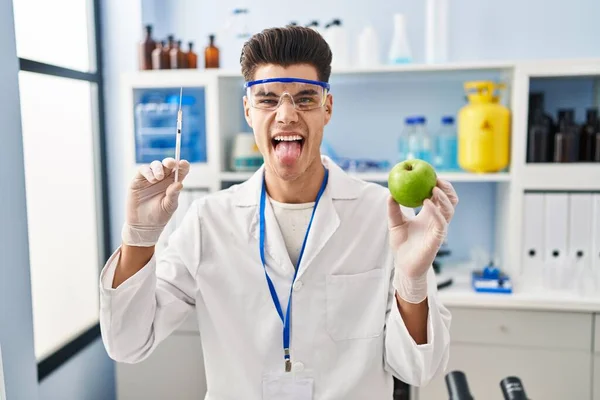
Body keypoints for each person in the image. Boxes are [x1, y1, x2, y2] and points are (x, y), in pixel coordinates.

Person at [99, 25, 458, 399]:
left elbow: (418, 368)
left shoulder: (382, 216)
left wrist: (412, 280)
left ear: (327, 108)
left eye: (304, 99)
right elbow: (127, 343)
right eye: (268, 99)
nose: (286, 115)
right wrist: (139, 236)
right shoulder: (209, 221)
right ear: (248, 111)